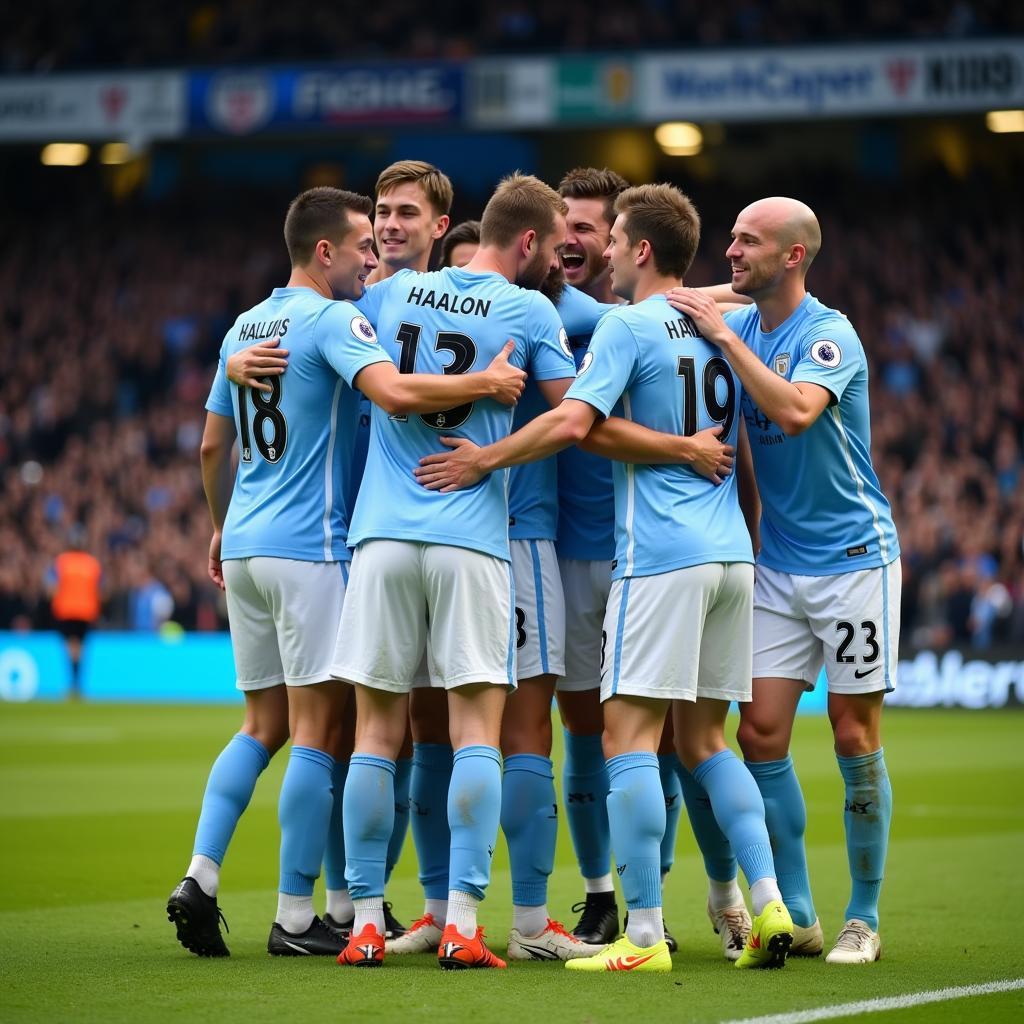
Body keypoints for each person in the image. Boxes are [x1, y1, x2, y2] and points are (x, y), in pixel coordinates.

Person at [414, 183, 794, 973]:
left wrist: (483, 457)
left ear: (643, 250)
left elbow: (570, 424)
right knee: (707, 741)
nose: (604, 253)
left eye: (616, 239)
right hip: (729, 554)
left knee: (623, 738)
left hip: (660, 557)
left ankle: (644, 934)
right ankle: (768, 903)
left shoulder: (624, 324)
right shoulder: (720, 325)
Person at [166, 186, 525, 959]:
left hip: (248, 545)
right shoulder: (337, 319)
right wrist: (487, 386)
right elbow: (392, 392)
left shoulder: (245, 325)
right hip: (315, 547)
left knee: (262, 725)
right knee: (324, 735)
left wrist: (221, 526)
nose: (373, 253)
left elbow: (207, 448)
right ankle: (304, 914)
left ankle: (202, 871)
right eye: (362, 241)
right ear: (323, 251)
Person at [332, 172, 578, 971]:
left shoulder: (391, 294)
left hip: (382, 537)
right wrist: (494, 456)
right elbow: (575, 417)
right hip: (473, 538)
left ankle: (366, 921)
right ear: (534, 242)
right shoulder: (533, 310)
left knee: (377, 732)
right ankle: (466, 923)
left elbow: (331, 355)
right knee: (480, 733)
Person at [226, 161, 457, 942]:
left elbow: (211, 438)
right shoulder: (349, 308)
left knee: (391, 733)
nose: (385, 232)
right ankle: (338, 904)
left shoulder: (427, 291)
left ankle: (366, 902)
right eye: (376, 219)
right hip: (345, 540)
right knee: (350, 732)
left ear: (438, 224)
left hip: (396, 532)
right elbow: (380, 389)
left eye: (401, 215)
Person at [668, 197, 900, 966]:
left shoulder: (827, 335)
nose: (730, 250)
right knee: (760, 732)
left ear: (793, 256)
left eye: (747, 241)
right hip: (778, 564)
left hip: (854, 561)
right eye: (730, 238)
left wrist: (726, 334)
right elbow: (688, 296)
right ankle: (796, 909)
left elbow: (797, 411)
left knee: (851, 734)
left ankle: (862, 916)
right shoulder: (748, 312)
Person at [46, 526, 101, 697]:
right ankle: (77, 683)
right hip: (86, 611)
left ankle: (73, 684)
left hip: (66, 610)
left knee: (70, 647)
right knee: (80, 648)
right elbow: (101, 590)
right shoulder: (92, 564)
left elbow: (51, 588)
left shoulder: (61, 562)